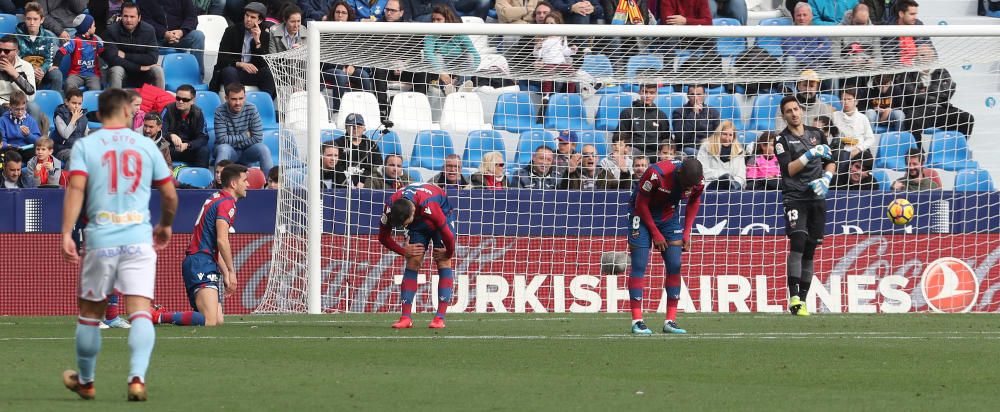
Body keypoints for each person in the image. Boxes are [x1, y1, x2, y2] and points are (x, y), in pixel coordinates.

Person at [59, 87, 178, 402]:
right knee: (139, 311)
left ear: (99, 113)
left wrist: (66, 232)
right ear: (127, 112)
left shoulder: (86, 145)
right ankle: (137, 378)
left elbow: (75, 190)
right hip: (138, 238)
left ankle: (86, 381)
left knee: (90, 313)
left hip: (101, 237)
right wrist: (164, 225)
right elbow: (169, 194)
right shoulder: (145, 145)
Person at [151, 164, 247, 328]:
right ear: (233, 184)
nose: (248, 185)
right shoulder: (227, 203)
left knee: (217, 320)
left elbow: (214, 243)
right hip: (200, 262)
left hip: (204, 261)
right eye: (245, 180)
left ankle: (161, 314)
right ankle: (157, 316)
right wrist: (231, 272)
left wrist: (224, 273)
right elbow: (222, 241)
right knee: (209, 321)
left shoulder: (217, 198)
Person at [626, 157, 704, 335]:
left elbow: (694, 201)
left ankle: (670, 321)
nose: (689, 189)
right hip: (641, 215)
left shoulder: (697, 181)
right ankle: (637, 321)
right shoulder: (656, 174)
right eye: (686, 185)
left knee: (675, 265)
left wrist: (686, 231)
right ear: (679, 174)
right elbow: (641, 203)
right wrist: (655, 232)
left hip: (669, 217)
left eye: (692, 185)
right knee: (639, 264)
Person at [775, 95, 835, 317]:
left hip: (817, 197)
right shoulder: (781, 140)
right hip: (795, 197)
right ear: (784, 116)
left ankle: (804, 300)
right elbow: (788, 170)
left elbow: (831, 160)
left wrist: (827, 178)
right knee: (798, 241)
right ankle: (794, 298)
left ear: (801, 110)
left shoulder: (817, 134)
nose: (794, 113)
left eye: (796, 109)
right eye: (789, 110)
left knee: (810, 250)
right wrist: (810, 154)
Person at [378, 182, 457, 329]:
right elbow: (383, 238)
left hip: (442, 215)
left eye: (403, 224)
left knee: (443, 261)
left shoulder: (431, 206)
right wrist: (404, 251)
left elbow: (449, 237)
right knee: (413, 260)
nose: (401, 228)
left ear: (412, 212)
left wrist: (449, 253)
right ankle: (405, 318)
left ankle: (439, 318)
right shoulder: (390, 208)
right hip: (418, 223)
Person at [210, 2, 277, 98]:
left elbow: (263, 64)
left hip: (253, 73)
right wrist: (240, 64)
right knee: (229, 71)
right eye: (247, 15)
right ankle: (236, 103)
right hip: (234, 70)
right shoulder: (231, 31)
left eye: (253, 17)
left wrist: (257, 41)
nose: (248, 19)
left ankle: (264, 104)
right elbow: (222, 59)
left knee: (268, 74)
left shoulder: (265, 35)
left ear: (260, 20)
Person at [136, 0, 206, 79]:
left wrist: (182, 31)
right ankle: (147, 78)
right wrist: (164, 33)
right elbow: (144, 20)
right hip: (155, 38)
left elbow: (192, 17)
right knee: (142, 39)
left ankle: (197, 78)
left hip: (179, 36)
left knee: (198, 36)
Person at [102, 3, 164, 89]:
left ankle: (160, 101)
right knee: (116, 70)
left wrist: (125, 55)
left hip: (143, 75)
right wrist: (139, 67)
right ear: (121, 17)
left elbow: (152, 58)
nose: (128, 20)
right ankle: (115, 101)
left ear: (139, 18)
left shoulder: (149, 30)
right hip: (123, 73)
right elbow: (112, 59)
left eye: (132, 17)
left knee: (158, 70)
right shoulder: (111, 30)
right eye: (125, 16)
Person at [214, 83, 273, 173]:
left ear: (244, 97)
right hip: (229, 151)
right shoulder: (219, 111)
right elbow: (222, 140)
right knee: (224, 148)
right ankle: (218, 185)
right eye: (234, 99)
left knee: (263, 149)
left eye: (240, 98)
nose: (238, 103)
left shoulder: (252, 109)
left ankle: (269, 184)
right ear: (226, 98)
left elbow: (258, 138)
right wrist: (245, 135)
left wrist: (237, 144)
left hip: (247, 151)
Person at [16, 2, 64, 92]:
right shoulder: (16, 37)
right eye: (28, 19)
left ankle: (56, 103)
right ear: (24, 19)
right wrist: (31, 70)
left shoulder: (48, 37)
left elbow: (48, 59)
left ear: (41, 20)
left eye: (35, 19)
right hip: (24, 72)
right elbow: (17, 60)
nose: (32, 22)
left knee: (57, 74)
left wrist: (42, 70)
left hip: (41, 72)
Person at [163, 84, 211, 168]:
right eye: (178, 98)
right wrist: (171, 135)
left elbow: (203, 138)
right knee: (159, 147)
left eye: (185, 99)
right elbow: (160, 132)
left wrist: (188, 145)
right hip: (170, 149)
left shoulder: (198, 113)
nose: (180, 101)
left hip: (188, 149)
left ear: (193, 101)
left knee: (204, 150)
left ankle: (200, 178)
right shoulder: (168, 109)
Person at [333, 113, 382, 187]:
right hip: (343, 184)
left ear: (364, 128)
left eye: (358, 125)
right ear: (346, 127)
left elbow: (378, 168)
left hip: (368, 185)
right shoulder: (337, 144)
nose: (355, 128)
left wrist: (366, 183)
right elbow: (337, 167)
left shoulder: (372, 145)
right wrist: (354, 182)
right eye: (352, 125)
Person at [671, 84, 720, 156]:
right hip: (688, 147)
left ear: (705, 95)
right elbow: (681, 137)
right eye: (692, 94)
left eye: (699, 94)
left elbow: (718, 135)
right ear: (687, 96)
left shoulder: (713, 112)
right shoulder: (679, 112)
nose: (695, 98)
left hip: (708, 147)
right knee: (698, 154)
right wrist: (694, 114)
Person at [58, 15, 103, 93]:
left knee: (96, 89)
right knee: (69, 84)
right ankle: (71, 104)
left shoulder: (96, 40)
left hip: (92, 74)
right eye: (93, 26)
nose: (95, 27)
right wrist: (55, 65)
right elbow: (60, 51)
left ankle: (91, 105)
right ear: (87, 29)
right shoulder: (75, 41)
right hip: (76, 74)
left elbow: (103, 52)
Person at [781, 3, 832, 71]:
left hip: (817, 67)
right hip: (798, 67)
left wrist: (803, 51)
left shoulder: (819, 31)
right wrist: (815, 52)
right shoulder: (787, 33)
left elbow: (827, 52)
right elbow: (792, 53)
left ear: (811, 16)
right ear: (794, 16)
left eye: (805, 15)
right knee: (790, 60)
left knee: (831, 75)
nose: (802, 18)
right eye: (799, 15)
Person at [697, 120, 746, 190]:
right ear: (718, 134)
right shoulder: (706, 147)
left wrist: (732, 182)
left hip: (733, 188)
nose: (727, 138)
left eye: (730, 135)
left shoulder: (739, 152)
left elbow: (741, 176)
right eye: (725, 134)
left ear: (734, 137)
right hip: (710, 187)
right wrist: (724, 176)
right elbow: (702, 171)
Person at [831, 88, 876, 159]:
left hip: (859, 151)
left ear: (856, 101)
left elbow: (871, 139)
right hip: (840, 151)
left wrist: (859, 149)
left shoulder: (863, 118)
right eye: (843, 99)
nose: (846, 102)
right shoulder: (834, 116)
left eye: (849, 99)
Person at [0, 35, 38, 107]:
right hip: (2, 104)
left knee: (33, 108)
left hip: (20, 104)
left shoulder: (26, 66)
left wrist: (15, 75)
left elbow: (31, 96)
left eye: (6, 51)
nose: (2, 54)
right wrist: (3, 103)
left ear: (16, 51)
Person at [0, 90, 42, 155]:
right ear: (10, 106)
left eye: (22, 109)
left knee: (38, 153)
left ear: (25, 106)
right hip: (10, 150)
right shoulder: (3, 120)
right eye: (16, 109)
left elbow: (38, 141)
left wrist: (28, 135)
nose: (20, 112)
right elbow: (2, 142)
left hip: (26, 149)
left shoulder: (30, 120)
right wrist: (10, 146)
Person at [52, 88, 86, 163]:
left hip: (78, 148)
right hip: (62, 150)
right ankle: (68, 175)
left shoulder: (82, 115)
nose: (77, 106)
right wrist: (73, 120)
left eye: (79, 104)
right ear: (66, 102)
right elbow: (65, 135)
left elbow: (86, 134)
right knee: (75, 156)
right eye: (74, 103)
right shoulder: (60, 115)